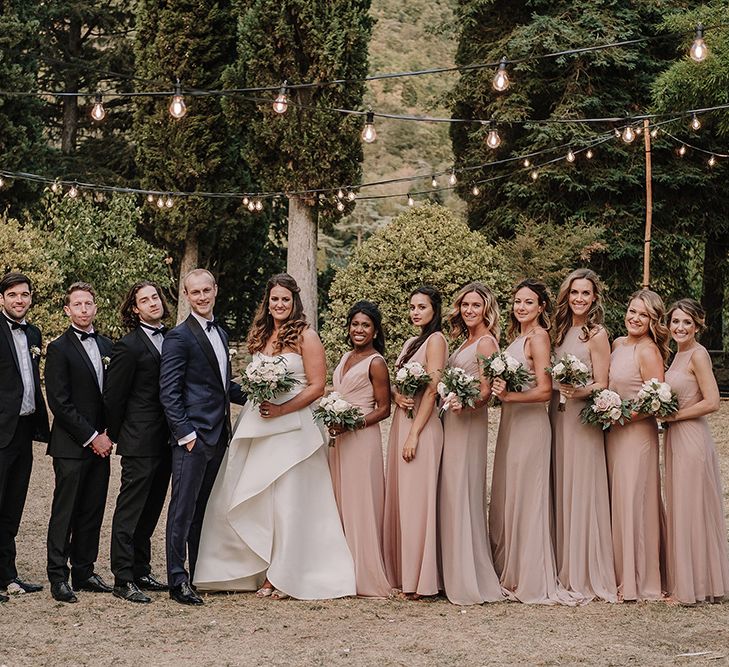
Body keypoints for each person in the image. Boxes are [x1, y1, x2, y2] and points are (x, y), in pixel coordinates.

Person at [193, 273, 355, 600]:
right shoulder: (262, 334)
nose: (279, 305)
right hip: (259, 423)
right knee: (259, 498)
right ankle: (258, 567)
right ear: (267, 304)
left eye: (285, 299)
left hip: (295, 428)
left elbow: (316, 386)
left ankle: (284, 573)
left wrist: (283, 409)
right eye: (274, 300)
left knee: (290, 502)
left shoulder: (306, 336)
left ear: (294, 302)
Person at [490, 279, 582, 605]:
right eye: (517, 301)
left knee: (528, 496)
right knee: (512, 493)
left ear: (541, 307)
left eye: (528, 302)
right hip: (511, 424)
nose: (521, 307)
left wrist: (509, 396)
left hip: (530, 426)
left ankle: (529, 577)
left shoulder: (539, 337)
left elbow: (545, 391)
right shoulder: (518, 338)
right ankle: (511, 571)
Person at [159, 268, 245, 606]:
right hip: (193, 439)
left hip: (219, 437)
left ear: (215, 290)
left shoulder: (220, 334)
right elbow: (169, 392)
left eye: (207, 290)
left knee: (203, 511)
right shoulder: (179, 337)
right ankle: (177, 581)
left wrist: (261, 393)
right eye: (195, 292)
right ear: (186, 295)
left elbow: (223, 387)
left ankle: (197, 573)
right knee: (182, 510)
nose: (202, 296)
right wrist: (186, 434)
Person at [549, 269, 617, 602]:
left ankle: (585, 568)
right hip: (556, 418)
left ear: (594, 298)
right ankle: (561, 563)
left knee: (582, 486)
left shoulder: (598, 334)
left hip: (582, 417)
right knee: (561, 484)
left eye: (585, 294)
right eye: (574, 293)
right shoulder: (558, 331)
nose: (579, 299)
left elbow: (604, 382)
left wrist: (580, 392)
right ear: (567, 295)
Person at [45, 282, 114, 603]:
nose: (84, 309)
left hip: (103, 443)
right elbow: (59, 402)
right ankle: (58, 575)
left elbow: (113, 397)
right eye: (78, 304)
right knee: (66, 510)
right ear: (67, 310)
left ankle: (84, 570)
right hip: (72, 445)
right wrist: (91, 437)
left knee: (92, 509)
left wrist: (109, 434)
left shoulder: (108, 346)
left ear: (95, 307)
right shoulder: (59, 348)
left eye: (89, 303)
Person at [104, 282, 172, 604]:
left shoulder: (173, 339)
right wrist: (120, 436)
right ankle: (123, 577)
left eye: (155, 297)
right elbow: (114, 398)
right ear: (135, 309)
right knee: (130, 510)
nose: (152, 303)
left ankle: (142, 568)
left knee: (151, 510)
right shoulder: (128, 346)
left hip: (168, 439)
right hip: (139, 440)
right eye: (144, 300)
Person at [439, 282, 503, 605]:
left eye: (475, 305)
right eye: (465, 305)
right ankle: (452, 569)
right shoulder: (465, 340)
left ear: (486, 308)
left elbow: (486, 391)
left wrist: (467, 405)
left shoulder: (486, 343)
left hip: (469, 423)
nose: (469, 310)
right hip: (453, 420)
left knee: (463, 489)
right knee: (453, 491)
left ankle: (468, 575)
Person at [663, 298, 729, 604]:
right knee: (681, 506)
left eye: (687, 322)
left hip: (691, 438)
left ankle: (694, 588)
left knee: (692, 508)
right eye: (675, 321)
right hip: (675, 438)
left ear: (698, 324)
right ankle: (685, 582)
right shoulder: (678, 355)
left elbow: (713, 401)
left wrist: (673, 416)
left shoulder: (698, 355)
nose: (680, 327)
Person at [383, 285, 447, 599]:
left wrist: (414, 434)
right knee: (403, 499)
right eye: (412, 307)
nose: (415, 312)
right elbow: (397, 385)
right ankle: (404, 576)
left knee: (418, 503)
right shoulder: (410, 342)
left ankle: (422, 582)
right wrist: (396, 396)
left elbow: (432, 390)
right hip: (401, 422)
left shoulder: (436, 341)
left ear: (435, 310)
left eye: (421, 307)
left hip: (422, 428)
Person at [606, 289, 668, 601]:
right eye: (632, 311)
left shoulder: (648, 351)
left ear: (653, 321)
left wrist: (621, 415)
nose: (635, 318)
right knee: (617, 501)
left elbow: (655, 403)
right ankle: (617, 572)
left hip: (636, 435)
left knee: (634, 500)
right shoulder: (617, 344)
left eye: (643, 315)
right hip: (612, 434)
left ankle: (638, 580)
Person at [328, 301, 392, 598]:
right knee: (340, 500)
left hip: (361, 438)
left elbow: (384, 409)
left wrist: (350, 424)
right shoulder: (346, 356)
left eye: (365, 325)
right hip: (338, 439)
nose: (359, 330)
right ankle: (341, 568)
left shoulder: (376, 362)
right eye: (355, 324)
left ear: (375, 330)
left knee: (360, 502)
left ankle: (364, 571)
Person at [0, 272, 50, 602]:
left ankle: (8, 575)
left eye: (25, 294)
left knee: (12, 506)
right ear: (1, 298)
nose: (20, 300)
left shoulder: (33, 332)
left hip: (24, 429)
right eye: (13, 294)